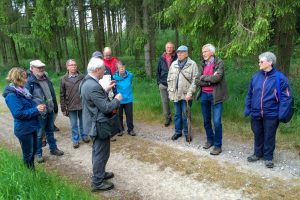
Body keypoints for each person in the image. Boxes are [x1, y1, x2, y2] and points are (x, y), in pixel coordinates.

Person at [80, 57, 122, 192]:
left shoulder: (87, 82)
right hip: (97, 125)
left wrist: (105, 90)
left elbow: (94, 101)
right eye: (104, 69)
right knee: (101, 153)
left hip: (94, 123)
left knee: (98, 152)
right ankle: (97, 182)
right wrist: (116, 99)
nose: (105, 71)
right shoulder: (92, 85)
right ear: (97, 70)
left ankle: (100, 174)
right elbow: (105, 108)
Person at [244, 52, 292, 168]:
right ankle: (257, 153)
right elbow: (250, 94)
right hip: (256, 112)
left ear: (270, 62)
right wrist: (247, 108)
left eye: (261, 61)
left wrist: (281, 114)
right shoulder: (255, 77)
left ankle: (268, 157)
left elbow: (287, 97)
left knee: (269, 135)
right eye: (259, 61)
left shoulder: (280, 78)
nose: (259, 63)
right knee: (257, 133)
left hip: (271, 113)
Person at [3, 67, 46, 169]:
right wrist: (36, 110)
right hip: (24, 129)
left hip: (31, 126)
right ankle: (29, 174)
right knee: (28, 154)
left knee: (33, 151)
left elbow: (28, 106)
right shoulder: (12, 95)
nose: (26, 80)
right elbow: (18, 114)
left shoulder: (22, 91)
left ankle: (31, 171)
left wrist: (38, 108)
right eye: (24, 78)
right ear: (17, 78)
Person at [25, 60, 64, 163]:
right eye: (39, 68)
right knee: (39, 134)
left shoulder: (46, 78)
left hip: (50, 110)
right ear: (32, 68)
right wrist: (35, 108)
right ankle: (38, 154)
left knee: (50, 130)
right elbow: (27, 99)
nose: (41, 69)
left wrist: (55, 105)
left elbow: (51, 93)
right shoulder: (29, 82)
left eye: (42, 67)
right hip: (39, 113)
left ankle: (53, 149)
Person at [195, 44, 228, 156]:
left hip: (216, 95)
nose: (203, 53)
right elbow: (196, 80)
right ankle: (210, 140)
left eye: (206, 51)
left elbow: (218, 78)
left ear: (212, 53)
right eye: (203, 51)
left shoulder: (219, 63)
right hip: (204, 95)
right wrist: (209, 80)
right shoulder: (202, 63)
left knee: (217, 121)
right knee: (206, 120)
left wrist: (204, 77)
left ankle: (218, 146)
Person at [167, 45, 198, 142]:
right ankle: (177, 132)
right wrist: (170, 91)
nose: (179, 54)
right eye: (178, 52)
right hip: (176, 94)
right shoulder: (173, 64)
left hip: (186, 95)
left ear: (186, 53)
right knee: (177, 115)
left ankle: (187, 133)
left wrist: (190, 93)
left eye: (181, 52)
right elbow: (169, 79)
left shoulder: (192, 64)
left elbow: (195, 81)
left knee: (186, 115)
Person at [60, 59, 89, 149]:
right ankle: (75, 140)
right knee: (73, 124)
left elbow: (86, 90)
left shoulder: (82, 77)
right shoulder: (64, 79)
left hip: (82, 104)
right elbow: (62, 94)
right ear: (67, 67)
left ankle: (84, 136)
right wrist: (63, 108)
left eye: (75, 65)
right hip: (71, 105)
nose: (73, 67)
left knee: (83, 122)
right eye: (71, 65)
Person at [157, 42, 177, 127]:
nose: (169, 49)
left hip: (174, 84)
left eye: (170, 47)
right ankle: (167, 118)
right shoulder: (162, 58)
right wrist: (159, 82)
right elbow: (158, 71)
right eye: (167, 47)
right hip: (163, 84)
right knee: (165, 102)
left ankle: (177, 119)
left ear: (173, 49)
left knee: (176, 101)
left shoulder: (177, 57)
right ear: (165, 48)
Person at [113, 61, 135, 136]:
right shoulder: (114, 77)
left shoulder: (130, 75)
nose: (122, 69)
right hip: (119, 100)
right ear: (117, 69)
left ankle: (130, 130)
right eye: (120, 68)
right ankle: (120, 130)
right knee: (119, 116)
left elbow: (131, 83)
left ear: (125, 67)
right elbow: (114, 88)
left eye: (123, 67)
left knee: (129, 115)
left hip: (128, 99)